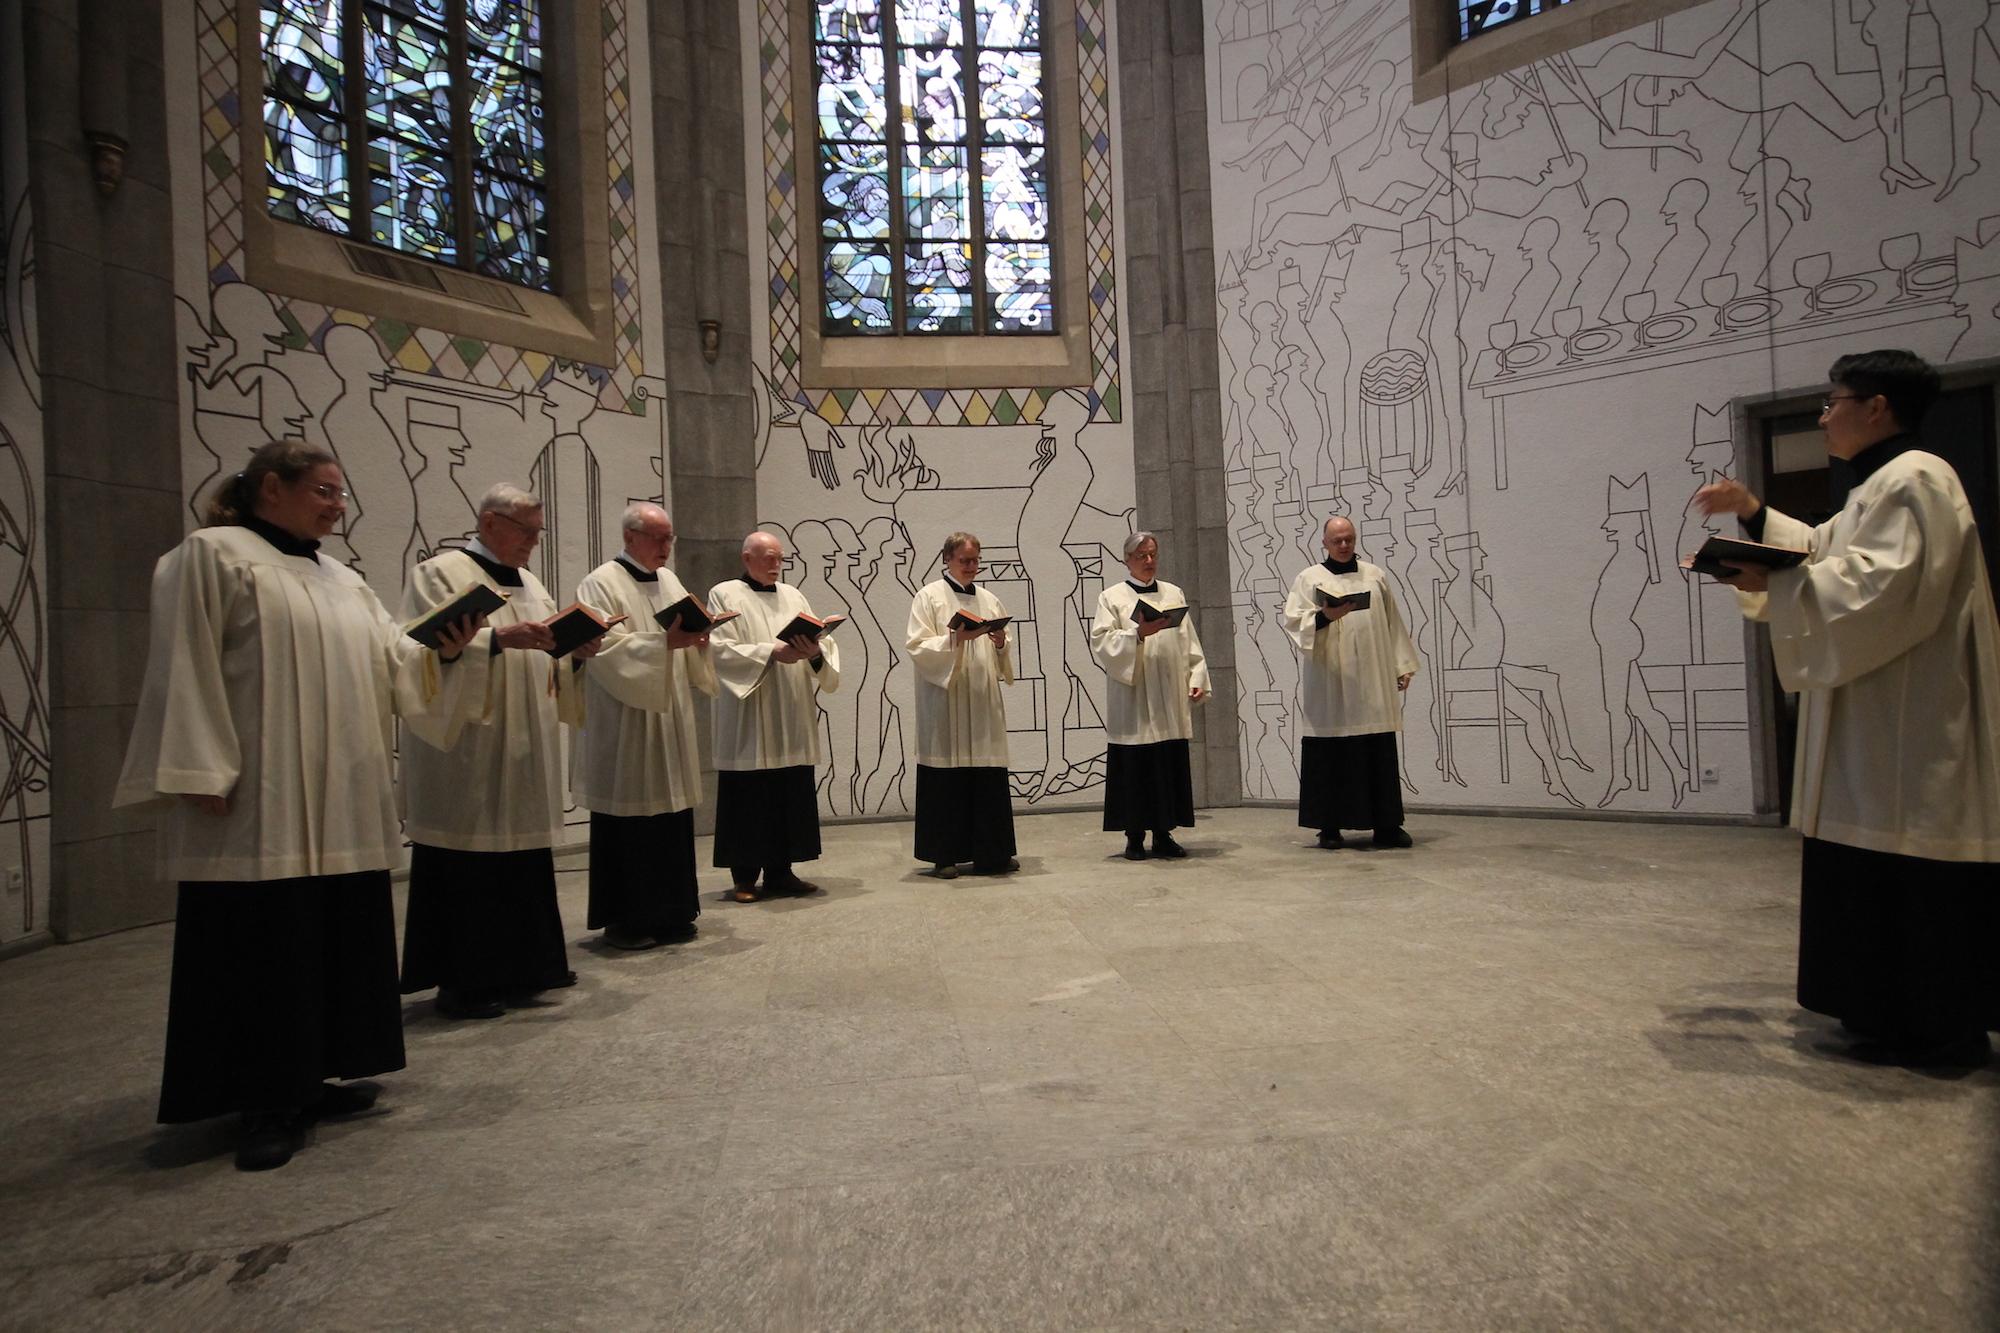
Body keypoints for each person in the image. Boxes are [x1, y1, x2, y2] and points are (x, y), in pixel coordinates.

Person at [113, 441, 493, 1171]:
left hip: (339, 796)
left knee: (328, 937)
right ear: (270, 488)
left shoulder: (343, 579)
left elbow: (395, 662)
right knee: (264, 945)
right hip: (261, 793)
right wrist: (197, 765)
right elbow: (183, 661)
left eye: (340, 492)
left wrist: (446, 651)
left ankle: (312, 1075)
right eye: (323, 490)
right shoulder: (211, 555)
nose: (336, 504)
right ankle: (263, 1100)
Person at [1697, 349, 2000, 1067]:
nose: (1825, 415)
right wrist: (1752, 516)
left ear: (1878, 406)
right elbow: (1825, 549)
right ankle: (1887, 1012)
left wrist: (1779, 583)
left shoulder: (1917, 477)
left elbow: (1878, 585)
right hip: (1874, 706)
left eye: (1834, 401)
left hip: (1913, 714)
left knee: (1915, 867)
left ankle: (1939, 1026)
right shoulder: (1878, 487)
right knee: (1870, 864)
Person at [398, 484, 577, 1021]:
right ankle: (466, 980)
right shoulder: (441, 574)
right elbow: (415, 649)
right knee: (469, 860)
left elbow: (543, 649)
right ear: (491, 523)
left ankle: (526, 968)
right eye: (526, 531)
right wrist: (498, 641)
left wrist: (573, 648)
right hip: (469, 742)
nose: (533, 542)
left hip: (524, 737)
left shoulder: (529, 583)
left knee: (521, 857)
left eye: (538, 532)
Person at [573, 503, 718, 947]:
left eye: (670, 537)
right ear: (631, 537)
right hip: (627, 720)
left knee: (670, 816)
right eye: (659, 538)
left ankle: (672, 911)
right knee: (629, 817)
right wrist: (662, 644)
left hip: (668, 711)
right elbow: (601, 650)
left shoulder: (670, 581)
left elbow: (679, 636)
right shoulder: (600, 583)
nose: (667, 546)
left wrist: (697, 638)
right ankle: (627, 918)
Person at [707, 531, 843, 901]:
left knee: (788, 790)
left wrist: (814, 649)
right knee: (749, 795)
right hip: (750, 712)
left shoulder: (793, 596)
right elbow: (720, 649)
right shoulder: (724, 594)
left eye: (780, 558)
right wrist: (771, 652)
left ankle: (782, 872)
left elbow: (820, 645)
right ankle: (745, 877)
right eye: (767, 557)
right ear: (746, 558)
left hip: (790, 708)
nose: (775, 565)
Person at [1282, 515, 1420, 849]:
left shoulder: (1374, 576)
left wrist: (1401, 665)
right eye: (1337, 540)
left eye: (1349, 539)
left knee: (1376, 752)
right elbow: (1293, 622)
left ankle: (1386, 825)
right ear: (1324, 543)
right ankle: (1329, 827)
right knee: (1332, 754)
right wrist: (1325, 616)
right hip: (1332, 682)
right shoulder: (1309, 578)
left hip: (1372, 678)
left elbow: (1392, 621)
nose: (1344, 545)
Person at [1090, 531, 1210, 859]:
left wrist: (1196, 675)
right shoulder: (1111, 597)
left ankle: (1163, 833)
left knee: (1165, 764)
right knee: (1136, 767)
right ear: (1127, 560)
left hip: (1168, 694)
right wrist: (1136, 634)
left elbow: (1189, 640)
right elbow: (1101, 640)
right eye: (1141, 555)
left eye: (1153, 554)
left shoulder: (1172, 593)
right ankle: (1134, 837)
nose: (1149, 561)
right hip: (1134, 697)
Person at [906, 532, 1018, 878]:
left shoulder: (989, 599)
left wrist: (1000, 642)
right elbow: (917, 646)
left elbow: (1003, 650)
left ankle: (992, 853)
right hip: (947, 701)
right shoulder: (928, 597)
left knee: (986, 776)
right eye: (964, 560)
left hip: (982, 699)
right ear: (947, 559)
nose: (971, 566)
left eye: (975, 560)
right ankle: (945, 855)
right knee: (947, 780)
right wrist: (956, 638)